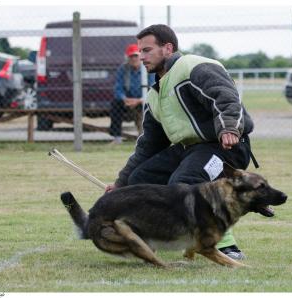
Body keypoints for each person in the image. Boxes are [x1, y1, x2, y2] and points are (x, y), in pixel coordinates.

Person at [105, 24, 258, 260]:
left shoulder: (193, 67)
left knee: (185, 182)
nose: (142, 57)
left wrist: (229, 128)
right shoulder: (155, 94)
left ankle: (226, 246)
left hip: (226, 147)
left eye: (147, 50)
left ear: (168, 48)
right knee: (140, 179)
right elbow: (148, 146)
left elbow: (225, 96)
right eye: (140, 52)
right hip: (190, 150)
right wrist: (121, 183)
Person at [109, 43, 155, 144]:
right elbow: (118, 88)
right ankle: (117, 138)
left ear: (140, 56)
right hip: (127, 101)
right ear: (127, 57)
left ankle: (146, 137)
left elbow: (153, 88)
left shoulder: (148, 68)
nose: (134, 59)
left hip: (144, 99)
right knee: (115, 103)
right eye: (131, 56)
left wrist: (140, 100)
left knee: (150, 105)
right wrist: (124, 98)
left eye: (136, 56)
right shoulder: (123, 69)